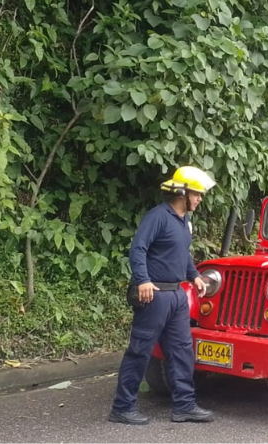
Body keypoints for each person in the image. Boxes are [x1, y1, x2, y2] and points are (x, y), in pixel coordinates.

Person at [109, 166, 216, 425]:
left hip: (177, 295)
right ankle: (122, 408)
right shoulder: (158, 216)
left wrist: (194, 275)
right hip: (155, 295)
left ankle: (184, 406)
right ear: (182, 193)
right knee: (140, 351)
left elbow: (182, 253)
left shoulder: (184, 222)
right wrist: (143, 280)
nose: (200, 199)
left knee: (181, 350)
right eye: (196, 194)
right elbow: (138, 248)